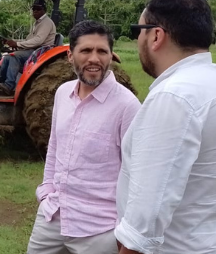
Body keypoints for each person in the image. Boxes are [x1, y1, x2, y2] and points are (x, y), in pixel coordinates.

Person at [115, 0, 216, 254]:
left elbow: (145, 221)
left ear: (156, 35)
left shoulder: (174, 96)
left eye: (138, 31)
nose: (137, 40)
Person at [24, 20, 141, 254]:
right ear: (70, 56)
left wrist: (126, 230)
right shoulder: (62, 93)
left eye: (102, 51)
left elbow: (137, 173)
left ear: (111, 56)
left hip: (99, 228)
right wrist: (46, 192)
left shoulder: (127, 106)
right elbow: (54, 148)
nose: (94, 59)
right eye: (86, 50)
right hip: (53, 215)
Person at [0, 0, 57, 92]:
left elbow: (38, 40)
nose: (35, 11)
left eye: (38, 8)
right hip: (33, 49)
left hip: (41, 51)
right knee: (7, 57)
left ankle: (9, 85)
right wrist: (12, 42)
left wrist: (17, 44)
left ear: (44, 10)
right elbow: (29, 40)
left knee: (14, 56)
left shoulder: (46, 22)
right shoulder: (37, 23)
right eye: (34, 8)